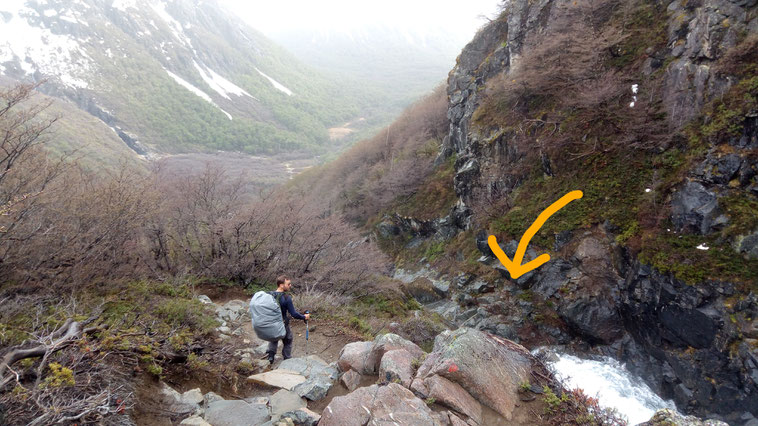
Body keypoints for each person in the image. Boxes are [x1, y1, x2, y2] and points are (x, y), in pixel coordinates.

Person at [266, 275, 310, 365]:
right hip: (283, 324)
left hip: (271, 323)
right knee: (288, 340)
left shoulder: (269, 295)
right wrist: (304, 317)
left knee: (274, 339)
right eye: (288, 284)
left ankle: (270, 357)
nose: (290, 286)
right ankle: (287, 359)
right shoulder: (286, 297)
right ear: (281, 285)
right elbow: (293, 314)